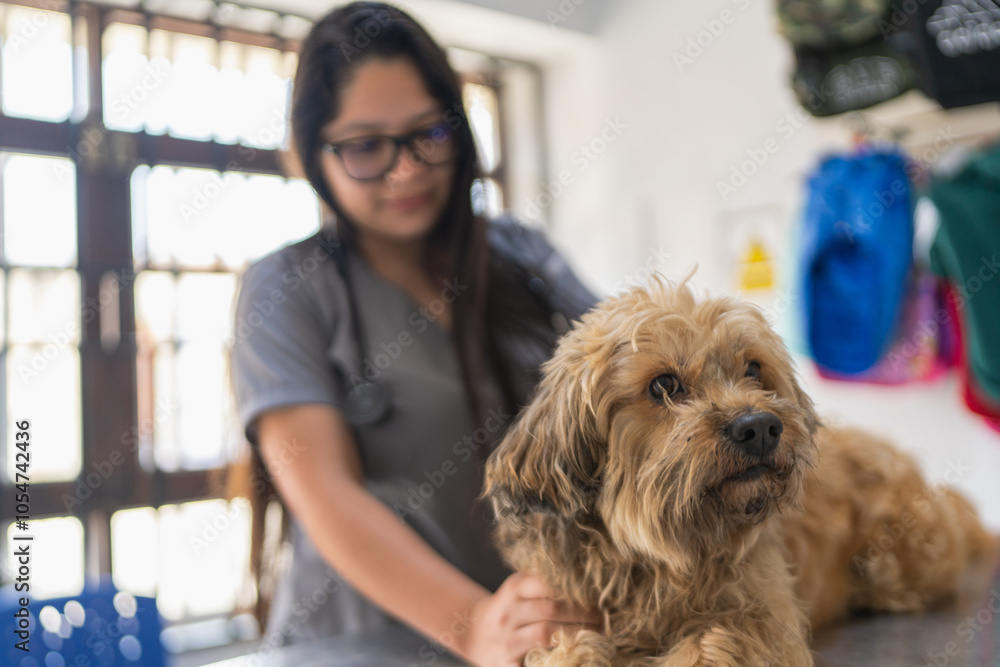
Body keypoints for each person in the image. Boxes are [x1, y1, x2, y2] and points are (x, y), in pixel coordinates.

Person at [229, 2, 601, 665]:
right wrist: (474, 624)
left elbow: (631, 382)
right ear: (314, 156)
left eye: (429, 133)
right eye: (366, 146)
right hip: (358, 647)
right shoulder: (287, 288)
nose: (406, 170)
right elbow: (326, 492)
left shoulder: (522, 257)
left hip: (531, 642)